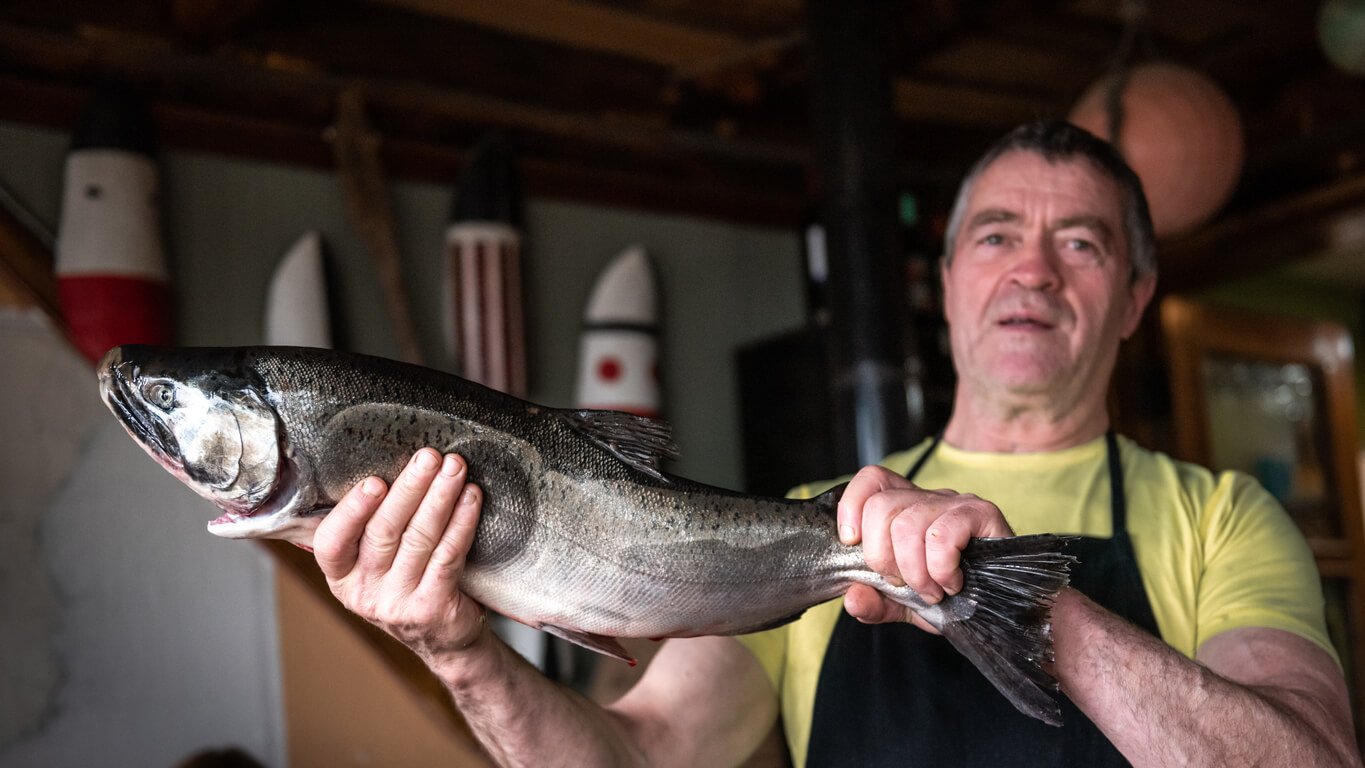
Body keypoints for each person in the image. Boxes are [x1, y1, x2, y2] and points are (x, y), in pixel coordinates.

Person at [311, 120, 1361, 766]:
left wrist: (1016, 598)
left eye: (1079, 244)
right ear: (945, 282)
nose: (1031, 271)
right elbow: (640, 760)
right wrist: (464, 660)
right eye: (996, 235)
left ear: (1134, 299)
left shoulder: (1221, 515)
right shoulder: (806, 525)